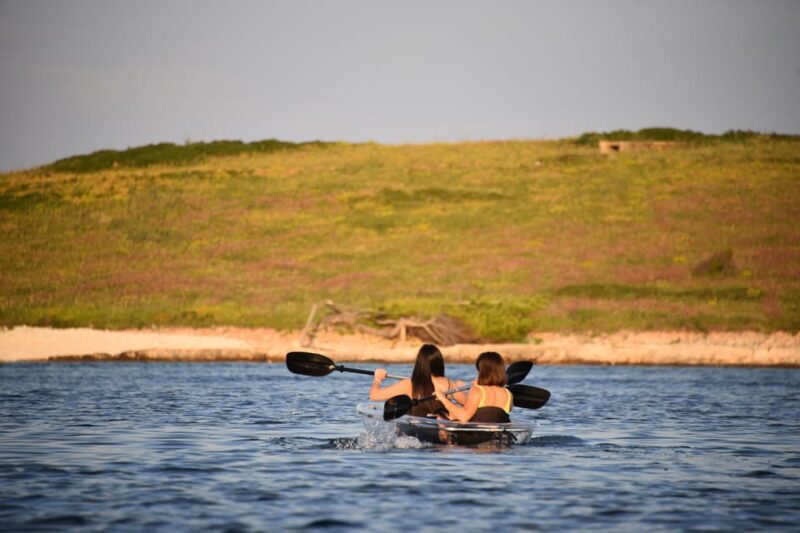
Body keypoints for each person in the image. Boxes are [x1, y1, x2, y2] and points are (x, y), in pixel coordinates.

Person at [370, 344, 466, 417]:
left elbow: (374, 396)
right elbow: (467, 405)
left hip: (415, 432)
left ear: (419, 364)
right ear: (439, 363)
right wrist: (461, 388)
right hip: (439, 430)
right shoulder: (449, 384)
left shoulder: (408, 384)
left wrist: (378, 379)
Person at [434, 351, 512, 423]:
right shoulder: (508, 394)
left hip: (476, 435)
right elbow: (491, 412)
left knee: (443, 417)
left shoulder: (477, 391)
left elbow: (464, 417)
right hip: (499, 435)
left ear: (483, 371)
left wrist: (443, 398)